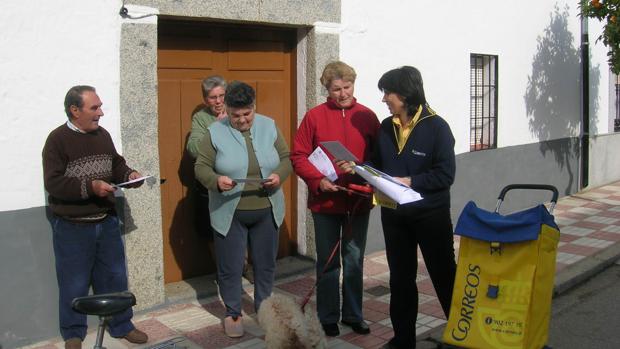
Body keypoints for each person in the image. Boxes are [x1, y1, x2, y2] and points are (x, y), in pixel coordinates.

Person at [343, 66, 457, 349]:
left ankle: (461, 335)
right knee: (401, 280)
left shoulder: (437, 127)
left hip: (431, 216)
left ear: (405, 94)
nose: (384, 99)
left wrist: (411, 180)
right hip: (395, 216)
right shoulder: (385, 127)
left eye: (387, 93)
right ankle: (403, 340)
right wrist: (359, 168)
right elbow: (378, 167)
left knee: (444, 276)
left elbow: (445, 175)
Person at [42, 85, 149, 349]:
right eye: (95, 107)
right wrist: (91, 187)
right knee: (73, 283)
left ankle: (122, 325)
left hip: (107, 221)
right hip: (73, 228)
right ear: (74, 110)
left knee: (114, 278)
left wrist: (130, 175)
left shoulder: (103, 135)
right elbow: (54, 183)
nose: (101, 112)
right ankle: (74, 334)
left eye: (100, 106)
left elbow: (116, 165)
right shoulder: (57, 140)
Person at [194, 81, 292, 338]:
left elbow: (286, 158)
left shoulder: (269, 125)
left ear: (254, 107)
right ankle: (233, 312)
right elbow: (201, 166)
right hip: (230, 212)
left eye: (247, 114)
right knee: (231, 266)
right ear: (227, 109)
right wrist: (215, 181)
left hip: (266, 209)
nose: (242, 120)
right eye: (236, 115)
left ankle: (264, 309)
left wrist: (279, 176)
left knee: (265, 264)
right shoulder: (215, 132)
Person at [290, 61, 380, 337]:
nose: (342, 94)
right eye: (336, 89)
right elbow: (298, 155)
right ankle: (327, 315)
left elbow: (380, 159)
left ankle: (354, 314)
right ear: (327, 90)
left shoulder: (368, 116)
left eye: (347, 87)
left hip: (357, 201)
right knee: (328, 263)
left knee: (354, 260)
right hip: (325, 203)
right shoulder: (314, 116)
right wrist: (318, 180)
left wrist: (360, 168)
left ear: (354, 84)